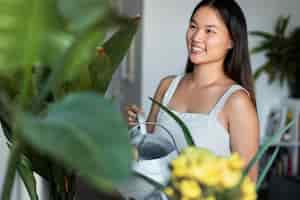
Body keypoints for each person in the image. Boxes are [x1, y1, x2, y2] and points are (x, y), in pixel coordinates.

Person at [126, 0, 259, 182]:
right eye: (193, 26)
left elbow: (247, 184)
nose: (196, 37)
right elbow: (149, 151)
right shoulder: (167, 86)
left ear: (232, 41)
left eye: (209, 31)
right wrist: (138, 124)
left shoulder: (236, 102)